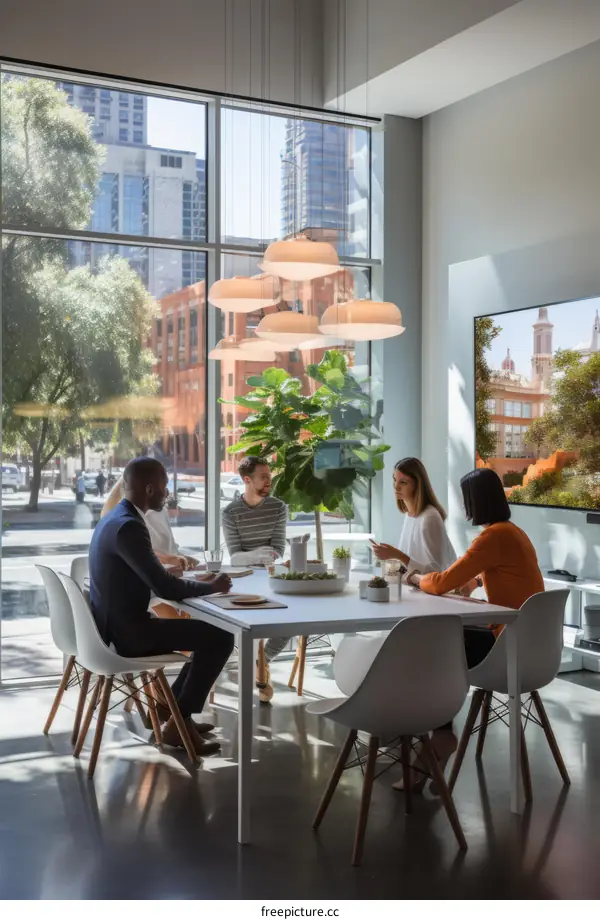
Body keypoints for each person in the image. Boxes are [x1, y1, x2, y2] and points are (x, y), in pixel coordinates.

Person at [89, 457, 234, 755]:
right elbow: (164, 587)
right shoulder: (130, 527)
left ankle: (175, 716)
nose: (168, 493)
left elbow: (150, 575)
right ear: (150, 489)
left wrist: (178, 576)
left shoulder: (114, 519)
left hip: (111, 628)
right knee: (221, 636)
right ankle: (178, 722)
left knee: (209, 634)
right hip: (129, 634)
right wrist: (212, 587)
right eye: (165, 486)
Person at [408, 467, 545, 666]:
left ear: (474, 502)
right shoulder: (515, 532)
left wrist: (413, 577)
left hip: (506, 642)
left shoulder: (492, 536)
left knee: (432, 634)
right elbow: (510, 571)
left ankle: (434, 693)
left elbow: (440, 584)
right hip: (531, 641)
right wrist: (476, 582)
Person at [222, 456, 288, 702]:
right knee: (238, 621)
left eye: (269, 476)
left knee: (289, 619)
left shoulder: (279, 508)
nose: (269, 481)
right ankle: (257, 667)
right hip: (241, 580)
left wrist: (252, 556)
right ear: (247, 480)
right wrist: (259, 555)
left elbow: (278, 550)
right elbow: (234, 557)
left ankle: (261, 661)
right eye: (263, 477)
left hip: (270, 578)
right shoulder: (230, 513)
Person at [370, 457, 456, 575]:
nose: (396, 487)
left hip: (435, 591)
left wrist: (397, 555)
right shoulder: (410, 515)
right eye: (395, 480)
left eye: (403, 482)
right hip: (417, 588)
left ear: (417, 484)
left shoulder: (429, 517)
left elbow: (436, 572)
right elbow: (409, 564)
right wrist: (389, 556)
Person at [101, 475, 198, 572]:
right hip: (152, 578)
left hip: (171, 575)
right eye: (163, 487)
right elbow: (138, 553)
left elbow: (170, 549)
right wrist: (170, 559)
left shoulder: (162, 511)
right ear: (149, 489)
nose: (168, 492)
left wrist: (184, 559)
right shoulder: (128, 519)